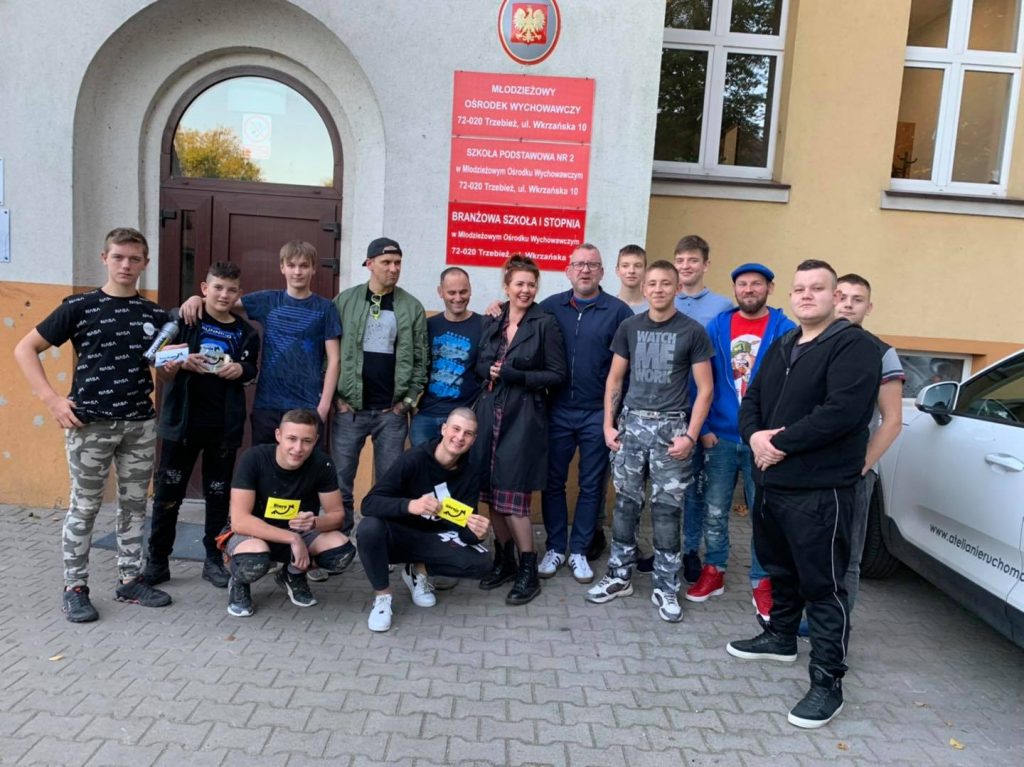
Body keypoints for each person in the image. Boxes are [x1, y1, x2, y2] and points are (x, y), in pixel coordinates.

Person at [726, 260, 881, 729]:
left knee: (823, 585)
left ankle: (828, 682)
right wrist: (754, 436)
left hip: (820, 490)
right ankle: (780, 637)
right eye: (799, 289)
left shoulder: (855, 346)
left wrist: (778, 443)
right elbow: (752, 399)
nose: (807, 295)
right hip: (772, 483)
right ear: (790, 296)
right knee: (780, 568)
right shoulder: (783, 344)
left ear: (835, 297)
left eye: (817, 288)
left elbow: (842, 413)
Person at [13, 227, 173, 622]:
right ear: (105, 258)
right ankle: (75, 588)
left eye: (134, 259)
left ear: (145, 263)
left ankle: (130, 580)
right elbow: (25, 348)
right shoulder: (79, 306)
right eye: (118, 257)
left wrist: (172, 365)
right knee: (84, 507)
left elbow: (158, 367)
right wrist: (52, 400)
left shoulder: (154, 315)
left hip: (139, 425)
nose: (126, 265)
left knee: (134, 507)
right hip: (89, 425)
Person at [587, 260, 713, 623]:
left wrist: (690, 436)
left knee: (667, 510)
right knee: (625, 505)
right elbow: (614, 379)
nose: (658, 289)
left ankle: (666, 585)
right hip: (631, 426)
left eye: (665, 283)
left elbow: (705, 389)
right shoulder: (630, 326)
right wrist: (608, 425)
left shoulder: (692, 331)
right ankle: (619, 575)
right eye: (652, 283)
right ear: (644, 289)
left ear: (677, 288)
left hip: (671, 429)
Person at [684, 263, 795, 622]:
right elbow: (700, 380)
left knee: (763, 513)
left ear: (769, 288)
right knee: (715, 510)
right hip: (719, 437)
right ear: (735, 290)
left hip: (763, 440)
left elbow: (795, 387)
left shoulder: (786, 330)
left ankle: (762, 579)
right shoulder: (718, 327)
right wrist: (702, 428)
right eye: (742, 284)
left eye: (756, 284)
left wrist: (779, 433)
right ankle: (714, 569)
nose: (749, 290)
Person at [143, 261, 260, 589]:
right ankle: (157, 561)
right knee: (167, 495)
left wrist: (241, 370)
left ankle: (214, 560)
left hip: (223, 428)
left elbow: (251, 368)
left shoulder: (246, 332)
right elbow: (156, 360)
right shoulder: (184, 319)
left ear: (239, 294)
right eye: (217, 287)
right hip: (181, 425)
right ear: (204, 288)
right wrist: (180, 362)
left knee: (218, 497)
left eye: (231, 290)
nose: (224, 295)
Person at [179, 240, 341, 448]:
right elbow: (223, 301)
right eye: (291, 265)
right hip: (268, 403)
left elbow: (334, 360)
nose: (297, 272)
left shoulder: (326, 308)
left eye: (304, 266)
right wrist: (196, 298)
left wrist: (323, 408)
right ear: (282, 267)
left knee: (304, 465)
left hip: (307, 403)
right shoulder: (267, 300)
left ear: (313, 269)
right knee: (264, 462)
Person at [474, 255, 567, 605]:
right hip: (489, 413)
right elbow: (478, 362)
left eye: (531, 284)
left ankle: (528, 567)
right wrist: (487, 370)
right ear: (507, 286)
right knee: (491, 494)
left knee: (513, 497)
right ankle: (505, 559)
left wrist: (517, 376)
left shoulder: (545, 323)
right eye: (519, 284)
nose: (525, 290)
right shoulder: (493, 318)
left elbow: (557, 374)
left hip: (523, 417)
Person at [538, 244, 633, 584]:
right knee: (552, 482)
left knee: (591, 485)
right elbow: (517, 318)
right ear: (568, 271)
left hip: (598, 413)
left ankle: (579, 549)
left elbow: (628, 368)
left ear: (602, 272)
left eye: (592, 265)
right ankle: (555, 547)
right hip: (557, 409)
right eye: (578, 264)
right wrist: (496, 306)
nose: (585, 270)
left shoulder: (619, 312)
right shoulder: (550, 308)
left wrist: (615, 415)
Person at [359, 408, 492, 631]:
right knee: (368, 528)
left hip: (432, 539)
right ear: (444, 429)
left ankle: (418, 571)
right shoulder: (414, 459)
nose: (460, 437)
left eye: (467, 433)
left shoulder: (470, 471)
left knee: (482, 562)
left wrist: (478, 532)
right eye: (456, 429)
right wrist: (410, 505)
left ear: (473, 439)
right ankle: (382, 597)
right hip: (398, 537)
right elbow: (369, 504)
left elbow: (464, 527)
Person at [332, 237, 428, 534]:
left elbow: (421, 359)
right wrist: (336, 398)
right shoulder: (345, 301)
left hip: (391, 413)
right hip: (350, 410)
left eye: (398, 263)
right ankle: (338, 543)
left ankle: (383, 540)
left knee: (389, 484)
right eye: (387, 262)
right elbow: (328, 353)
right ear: (369, 264)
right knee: (340, 481)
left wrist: (407, 403)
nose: (393, 268)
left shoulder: (411, 307)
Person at [222, 410, 355, 617]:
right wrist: (293, 538)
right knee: (253, 559)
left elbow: (338, 515)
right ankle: (239, 582)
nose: (298, 448)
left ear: (315, 441)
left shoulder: (322, 463)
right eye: (291, 439)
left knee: (341, 552)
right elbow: (240, 521)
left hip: (301, 534)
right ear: (278, 435)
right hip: (253, 535)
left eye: (306, 441)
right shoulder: (254, 458)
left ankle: (292, 574)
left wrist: (314, 523)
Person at [835, 273, 904, 612]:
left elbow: (892, 421)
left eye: (857, 299)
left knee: (847, 555)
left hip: (854, 474)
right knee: (809, 549)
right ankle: (812, 618)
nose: (848, 304)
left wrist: (861, 467)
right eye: (841, 296)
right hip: (811, 468)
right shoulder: (807, 342)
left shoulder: (882, 352)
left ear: (869, 307)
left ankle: (838, 627)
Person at [672, 234, 734, 584]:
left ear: (706, 265)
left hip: (699, 412)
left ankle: (690, 550)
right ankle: (665, 548)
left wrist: (707, 424)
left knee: (695, 490)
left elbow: (722, 371)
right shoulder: (664, 298)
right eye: (680, 260)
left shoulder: (722, 307)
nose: (686, 266)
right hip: (665, 410)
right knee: (666, 489)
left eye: (693, 260)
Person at [410, 267, 483, 447]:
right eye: (451, 292)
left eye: (463, 292)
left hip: (464, 418)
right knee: (422, 463)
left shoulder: (484, 325)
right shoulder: (428, 325)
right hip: (426, 416)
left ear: (470, 290)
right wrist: (411, 405)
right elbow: (414, 366)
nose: (458, 298)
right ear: (440, 292)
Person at [615, 244, 647, 312]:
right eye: (625, 266)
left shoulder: (653, 309)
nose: (631, 271)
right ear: (617, 270)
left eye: (637, 266)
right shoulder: (608, 307)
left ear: (645, 271)